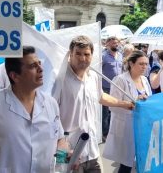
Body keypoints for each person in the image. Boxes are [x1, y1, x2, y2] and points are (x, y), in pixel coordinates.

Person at [0, 46, 68, 172]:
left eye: (39, 63)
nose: (41, 69)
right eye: (33, 66)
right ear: (14, 76)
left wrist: (63, 159)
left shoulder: (51, 104)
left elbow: (60, 139)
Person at [52, 35, 134, 173]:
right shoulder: (59, 79)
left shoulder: (93, 77)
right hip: (69, 154)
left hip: (92, 151)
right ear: (70, 54)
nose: (83, 58)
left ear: (92, 55)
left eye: (86, 54)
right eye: (78, 54)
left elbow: (100, 96)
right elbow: (50, 114)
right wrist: (61, 144)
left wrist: (125, 104)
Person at [103, 50, 152, 173]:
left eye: (146, 64)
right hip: (126, 127)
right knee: (126, 164)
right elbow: (112, 106)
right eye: (141, 64)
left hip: (142, 127)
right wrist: (135, 102)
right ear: (131, 63)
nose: (144, 67)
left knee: (141, 160)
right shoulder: (120, 80)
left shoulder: (145, 80)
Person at [101, 36, 123, 142]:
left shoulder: (120, 56)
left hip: (117, 88)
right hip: (106, 87)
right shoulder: (103, 56)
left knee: (114, 111)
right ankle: (104, 133)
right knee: (105, 112)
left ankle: (111, 130)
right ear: (108, 44)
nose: (116, 45)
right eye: (114, 43)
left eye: (117, 43)